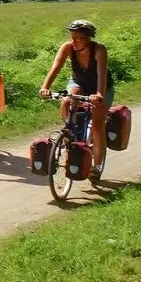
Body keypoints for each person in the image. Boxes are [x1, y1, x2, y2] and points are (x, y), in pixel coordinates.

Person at [38, 19, 111, 181]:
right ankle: (71, 131)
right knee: (66, 100)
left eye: (78, 38)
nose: (74, 41)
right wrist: (45, 87)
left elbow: (102, 75)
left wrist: (99, 94)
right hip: (79, 83)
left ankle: (97, 167)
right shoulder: (67, 48)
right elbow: (55, 67)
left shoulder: (99, 50)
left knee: (98, 127)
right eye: (72, 38)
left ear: (88, 38)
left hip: (101, 87)